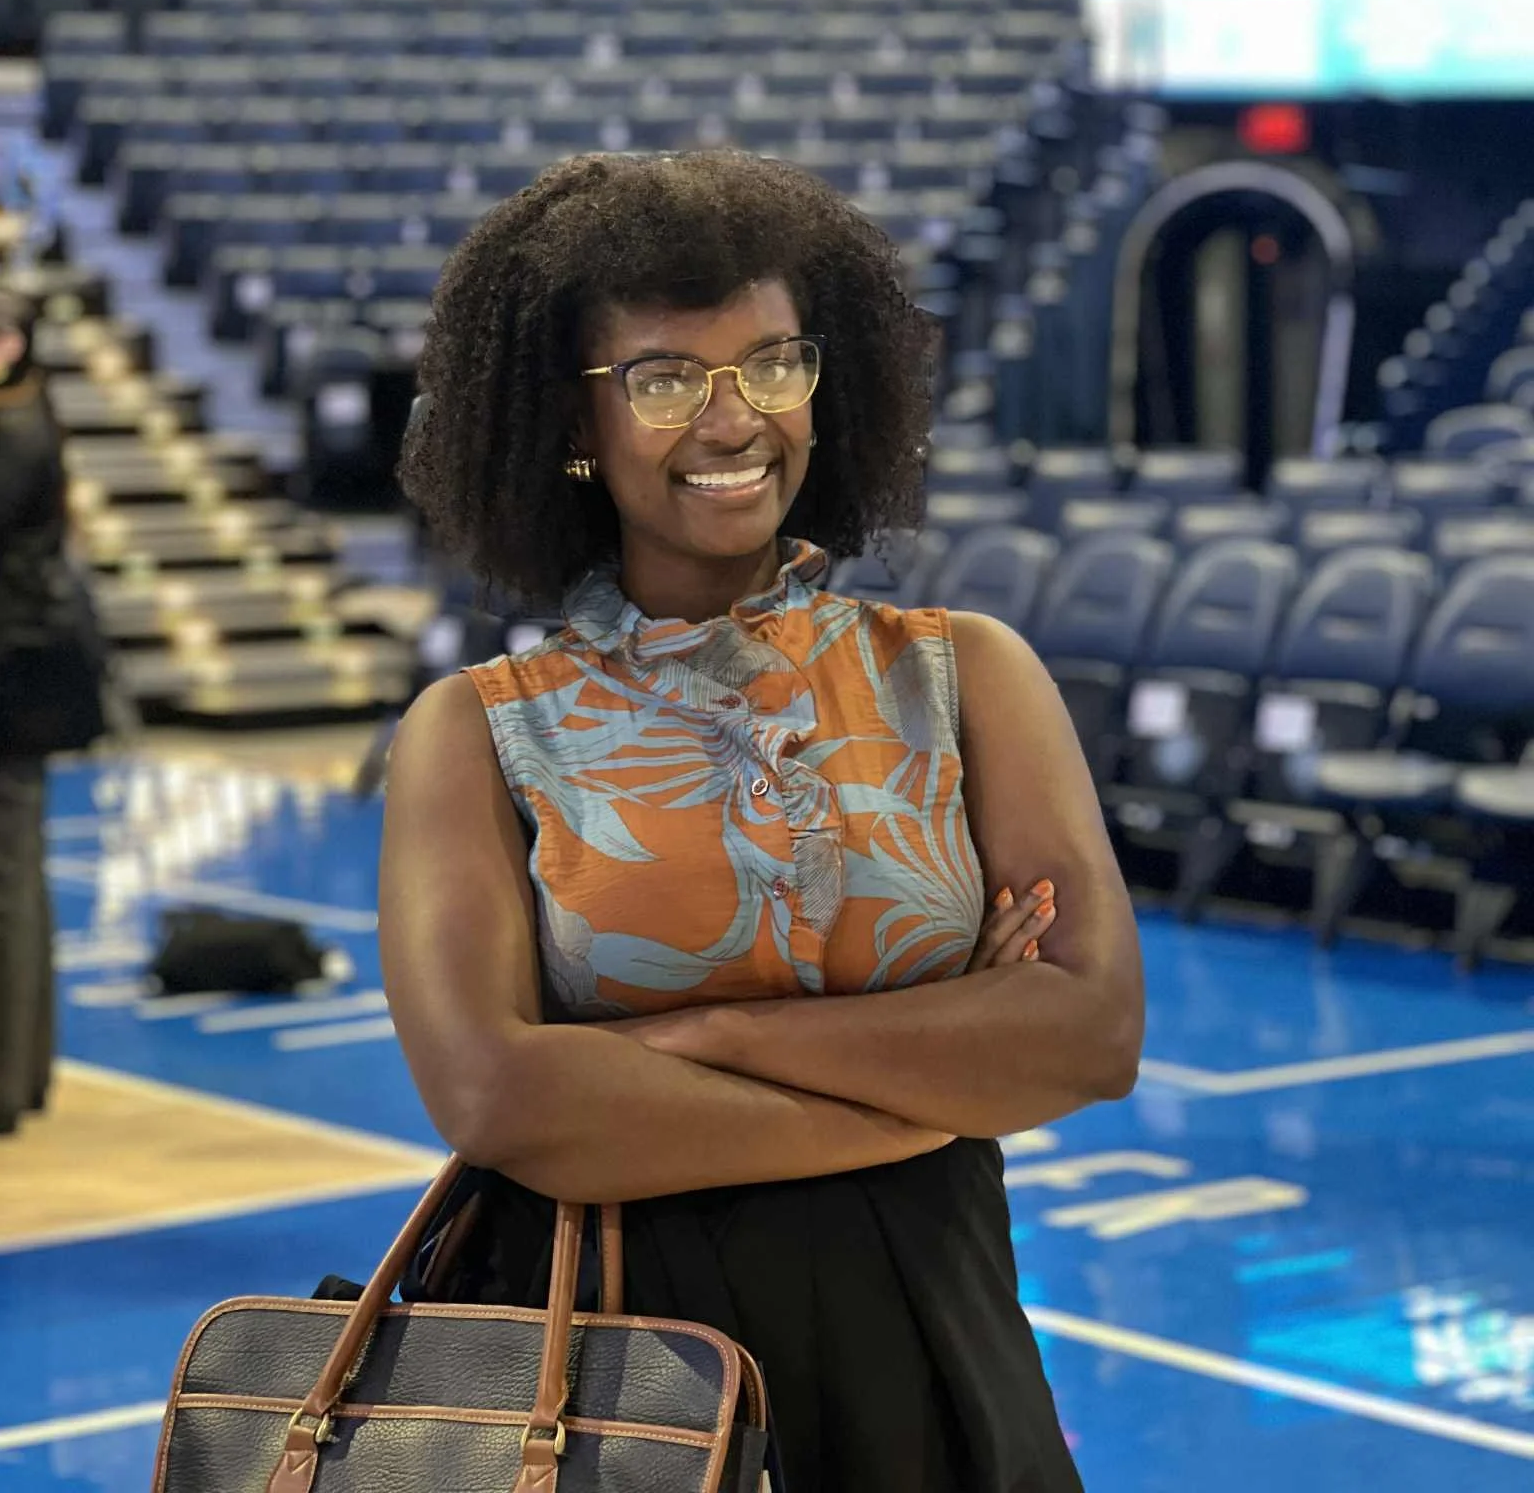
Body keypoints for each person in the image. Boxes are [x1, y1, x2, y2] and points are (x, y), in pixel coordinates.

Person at [380, 149, 1144, 1493]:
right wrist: (921, 1099)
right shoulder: (482, 731)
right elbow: (500, 1095)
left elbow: (1087, 1033)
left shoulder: (964, 673)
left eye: (774, 363)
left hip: (938, 1341)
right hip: (618, 1373)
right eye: (667, 380)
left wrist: (711, 1038)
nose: (734, 421)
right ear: (572, 422)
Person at [0, 288, 67, 1133]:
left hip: (10, 676)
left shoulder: (12, 433)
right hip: (22, 670)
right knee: (17, 879)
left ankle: (7, 1083)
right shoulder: (29, 417)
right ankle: (25, 1072)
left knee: (8, 885)